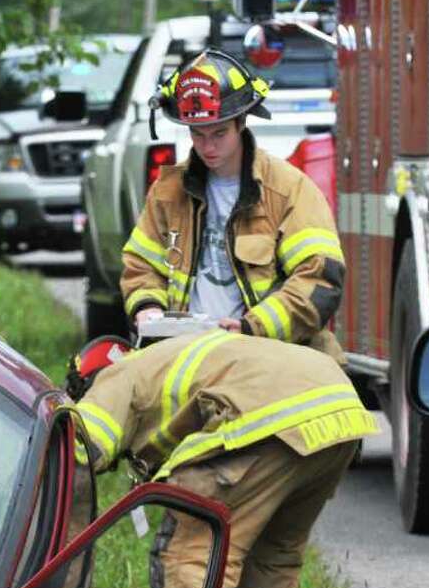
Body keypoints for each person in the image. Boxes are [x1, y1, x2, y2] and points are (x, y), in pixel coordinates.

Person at [66, 331, 378, 588]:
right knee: (273, 550)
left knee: (195, 552)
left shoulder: (117, 376)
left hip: (271, 415)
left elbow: (79, 449)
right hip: (337, 413)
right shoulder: (168, 358)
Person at [121, 49, 345, 359]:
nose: (208, 146)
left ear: (241, 123)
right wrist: (148, 308)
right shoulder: (168, 192)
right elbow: (142, 266)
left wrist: (252, 327)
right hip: (187, 356)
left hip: (271, 358)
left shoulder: (289, 190)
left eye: (219, 133)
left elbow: (319, 279)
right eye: (197, 134)